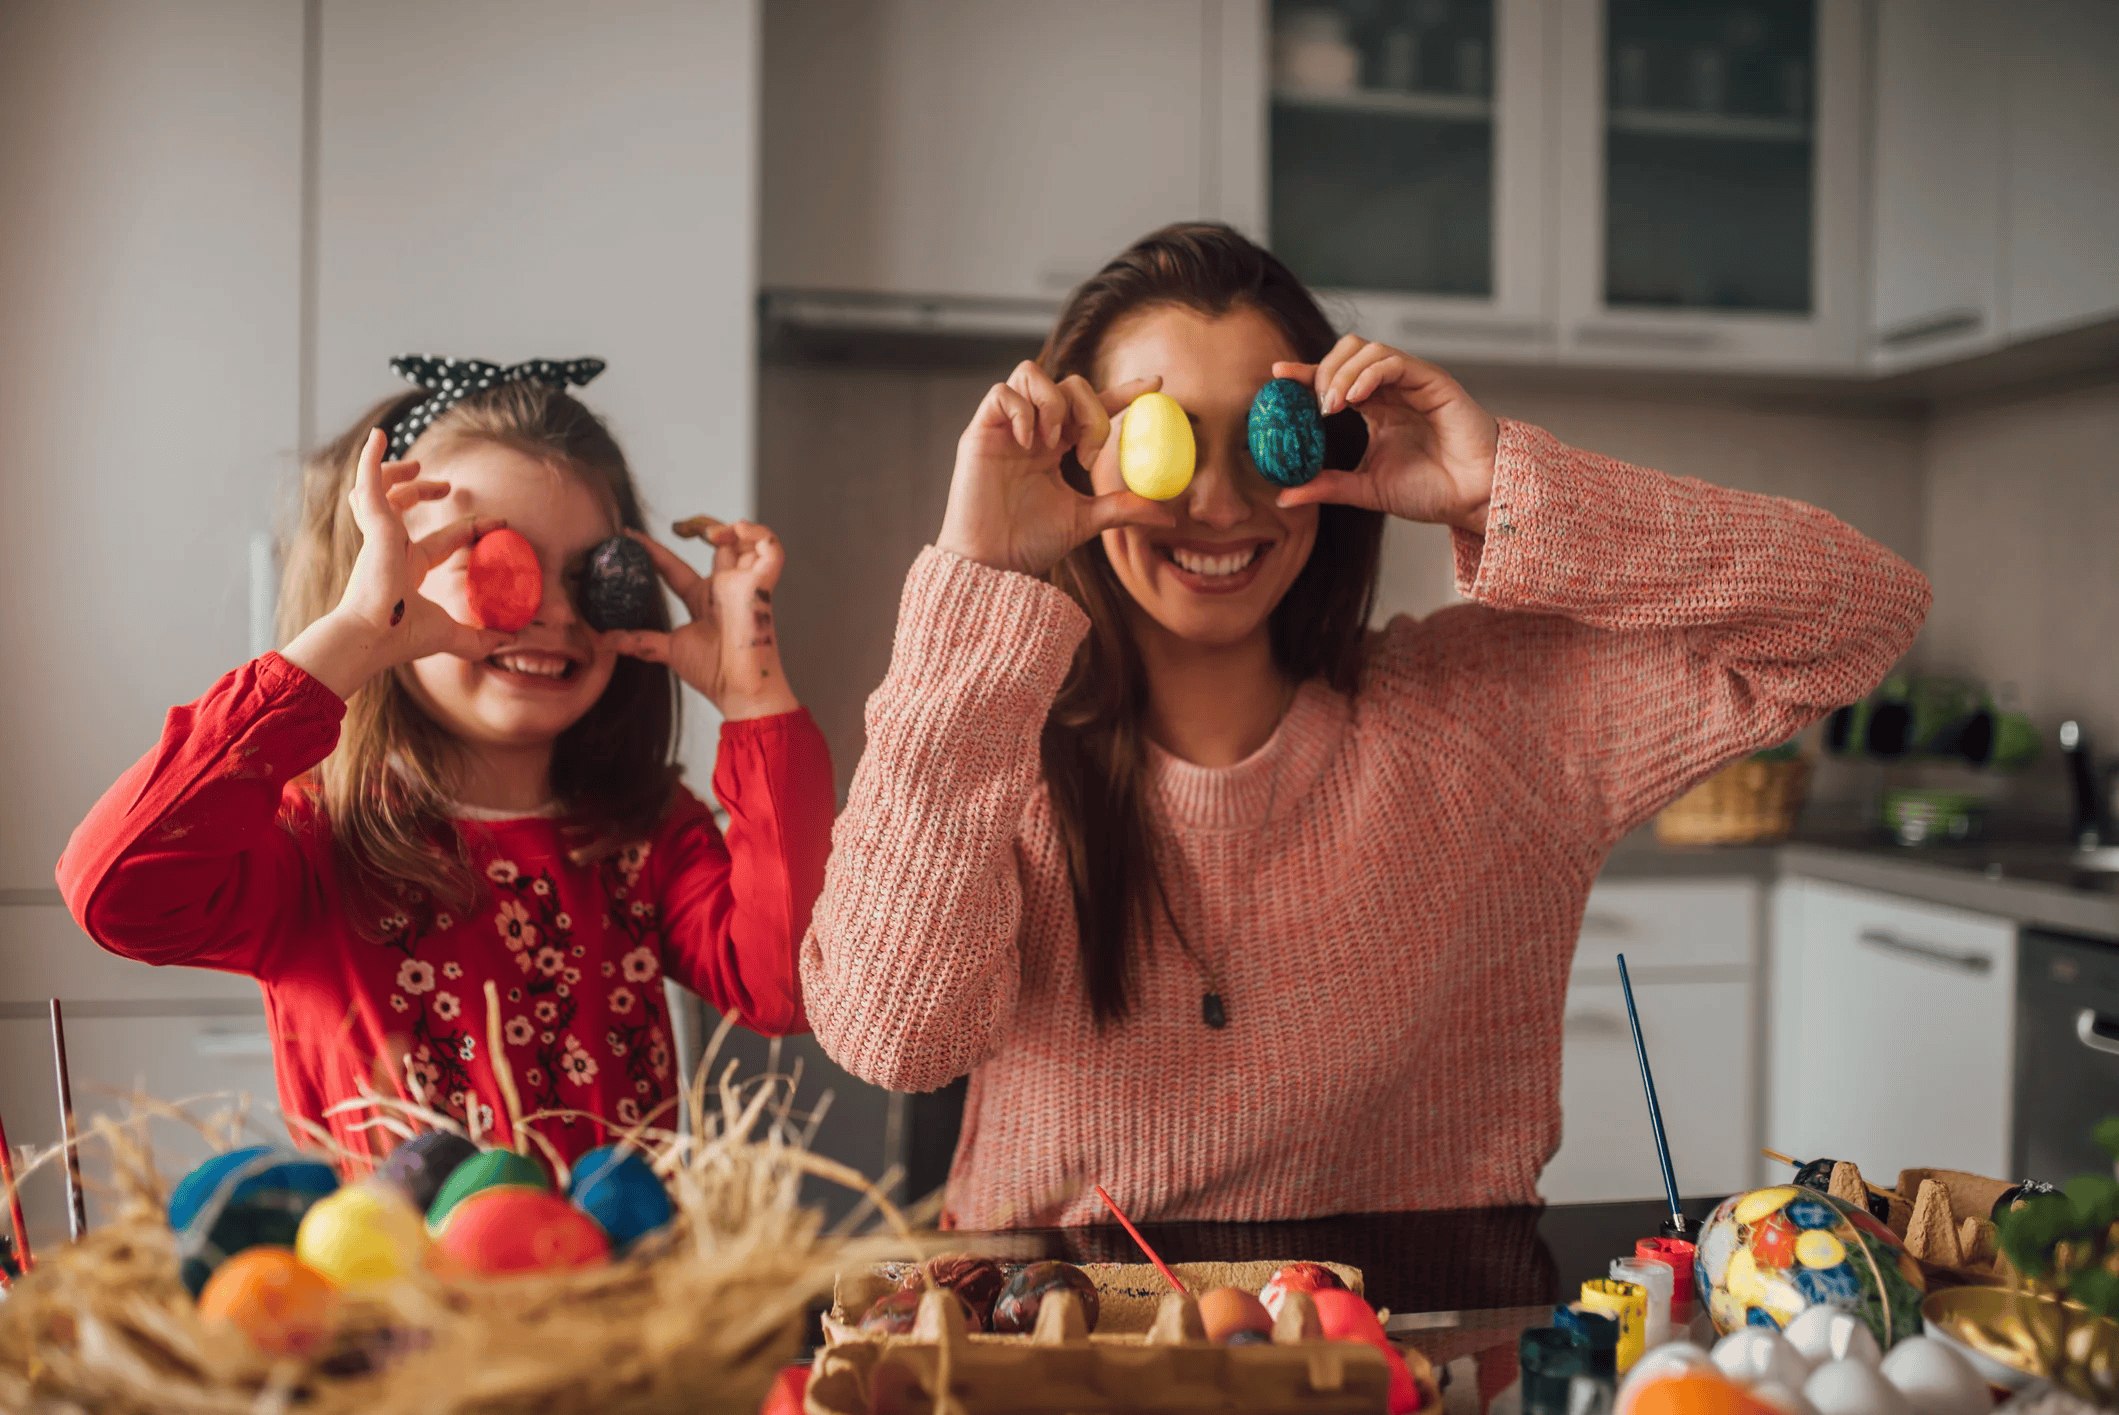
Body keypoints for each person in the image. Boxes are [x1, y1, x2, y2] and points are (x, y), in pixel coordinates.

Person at [800, 225, 1931, 1228]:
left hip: (1402, 1357)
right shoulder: (994, 747)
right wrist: (980, 573)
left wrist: (1505, 488)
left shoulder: (1485, 723)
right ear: (1081, 456)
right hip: (1056, 1352)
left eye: (1266, 435)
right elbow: (894, 1035)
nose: (1219, 503)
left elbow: (1859, 614)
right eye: (1167, 437)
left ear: (1328, 443)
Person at [59, 359, 834, 1170]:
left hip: (629, 1293)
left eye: (595, 575)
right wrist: (352, 635)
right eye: (500, 564)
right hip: (398, 1294)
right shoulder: (320, 842)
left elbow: (787, 983)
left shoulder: (639, 834)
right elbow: (116, 888)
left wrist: (756, 699)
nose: (556, 611)